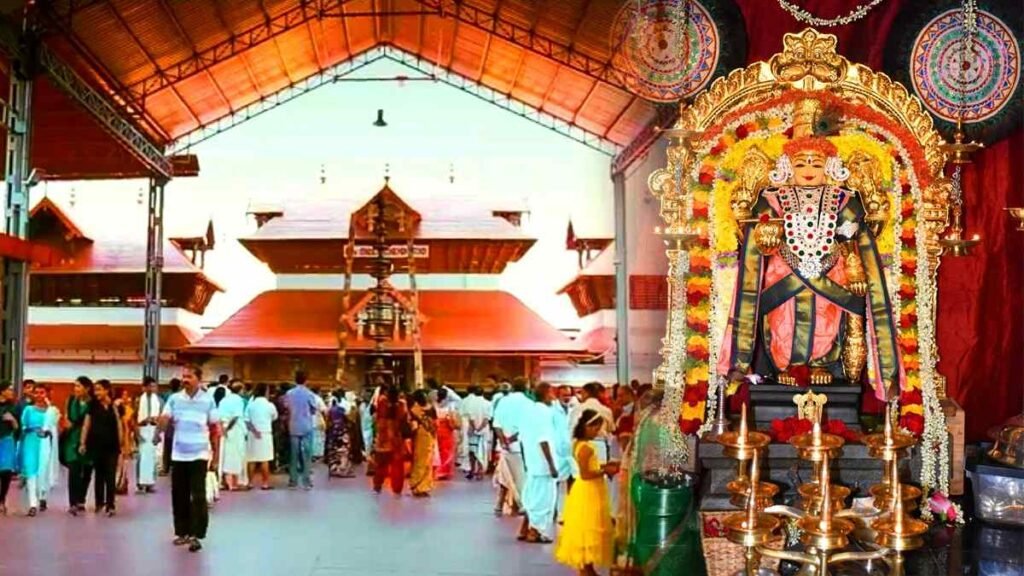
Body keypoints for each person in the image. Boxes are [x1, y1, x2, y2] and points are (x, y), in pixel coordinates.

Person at [157, 364, 220, 553]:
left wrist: (216, 456)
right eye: (184, 376)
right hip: (179, 455)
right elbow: (165, 418)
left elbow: (215, 429)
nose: (185, 380)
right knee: (179, 495)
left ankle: (197, 534)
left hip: (199, 455)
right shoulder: (174, 399)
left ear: (199, 379)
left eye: (189, 376)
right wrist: (159, 429)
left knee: (198, 495)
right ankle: (182, 532)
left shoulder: (208, 401)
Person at [554, 410, 617, 575]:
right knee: (589, 527)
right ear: (587, 427)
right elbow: (586, 474)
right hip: (589, 490)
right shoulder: (586, 448)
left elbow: (590, 467)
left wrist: (604, 466)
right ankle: (585, 568)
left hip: (588, 489)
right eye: (596, 428)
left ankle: (587, 567)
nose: (597, 432)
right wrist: (605, 471)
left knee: (587, 527)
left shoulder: (579, 444)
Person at [518, 382, 560, 544]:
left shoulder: (528, 410)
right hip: (543, 464)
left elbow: (522, 437)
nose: (553, 397)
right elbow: (544, 440)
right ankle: (535, 532)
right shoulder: (544, 412)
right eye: (552, 393)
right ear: (546, 394)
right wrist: (551, 465)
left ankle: (524, 529)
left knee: (532, 497)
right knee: (543, 501)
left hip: (532, 461)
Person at [80, 379, 122, 516]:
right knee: (99, 474)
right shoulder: (92, 405)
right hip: (95, 445)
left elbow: (119, 424)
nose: (96, 393)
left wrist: (122, 443)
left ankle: (111, 504)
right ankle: (99, 503)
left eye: (99, 390)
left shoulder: (115, 406)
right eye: (95, 390)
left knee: (110, 475)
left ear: (107, 390)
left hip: (112, 446)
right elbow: (86, 424)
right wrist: (82, 443)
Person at [491, 377, 531, 516]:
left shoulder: (503, 401)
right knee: (520, 477)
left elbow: (496, 424)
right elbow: (527, 426)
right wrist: (511, 439)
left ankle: (500, 504)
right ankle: (522, 504)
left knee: (505, 474)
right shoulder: (528, 403)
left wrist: (503, 441)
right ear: (526, 387)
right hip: (520, 445)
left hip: (503, 446)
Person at [19, 385, 59, 515]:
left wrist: (47, 432)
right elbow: (23, 425)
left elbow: (55, 429)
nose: (39, 395)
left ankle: (43, 496)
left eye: (42, 393)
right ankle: (32, 504)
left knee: (44, 470)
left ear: (46, 394)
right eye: (36, 393)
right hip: (30, 442)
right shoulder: (28, 409)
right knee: (31, 471)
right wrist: (30, 429)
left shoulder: (52, 411)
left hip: (45, 444)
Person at [282, 371, 320, 490]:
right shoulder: (309, 394)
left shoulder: (289, 393)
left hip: (293, 425)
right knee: (307, 454)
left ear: (295, 379)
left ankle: (293, 481)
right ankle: (306, 481)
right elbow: (314, 409)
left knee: (293, 454)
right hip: (306, 426)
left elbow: (286, 407)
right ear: (306, 380)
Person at [63, 376, 93, 515]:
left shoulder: (92, 403)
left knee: (87, 470)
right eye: (75, 386)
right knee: (73, 470)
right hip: (72, 439)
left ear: (87, 388)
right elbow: (66, 416)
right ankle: (73, 502)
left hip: (89, 439)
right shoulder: (70, 400)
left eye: (79, 386)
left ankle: (82, 498)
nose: (76, 389)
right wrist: (66, 422)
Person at [372, 386, 407, 496]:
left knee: (381, 465)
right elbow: (404, 418)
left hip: (383, 438)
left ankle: (377, 485)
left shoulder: (382, 403)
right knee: (397, 466)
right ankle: (397, 488)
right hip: (396, 438)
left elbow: (377, 417)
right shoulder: (401, 405)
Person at [244, 383, 278, 490]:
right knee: (265, 459)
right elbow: (274, 417)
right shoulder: (269, 405)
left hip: (252, 434)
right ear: (266, 392)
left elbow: (246, 420)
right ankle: (265, 483)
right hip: (265, 433)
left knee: (251, 458)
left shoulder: (250, 405)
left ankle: (250, 482)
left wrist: (254, 431)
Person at [218, 382, 247, 491]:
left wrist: (223, 429)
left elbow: (219, 416)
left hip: (224, 427)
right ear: (240, 390)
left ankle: (225, 481)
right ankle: (234, 483)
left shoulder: (224, 400)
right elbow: (235, 417)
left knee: (225, 454)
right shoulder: (239, 400)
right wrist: (228, 429)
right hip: (235, 430)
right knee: (236, 454)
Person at [136, 376, 163, 493]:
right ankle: (140, 483)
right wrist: (137, 434)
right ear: (144, 387)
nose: (152, 389)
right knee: (142, 457)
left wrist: (158, 433)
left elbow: (161, 418)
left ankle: (150, 483)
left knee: (153, 457)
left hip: (153, 429)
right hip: (142, 429)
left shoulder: (159, 401)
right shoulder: (138, 400)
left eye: (154, 386)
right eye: (150, 386)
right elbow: (133, 418)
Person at [408, 390, 436, 497]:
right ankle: (423, 486)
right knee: (427, 461)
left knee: (419, 461)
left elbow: (413, 426)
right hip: (429, 436)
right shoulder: (431, 408)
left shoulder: (414, 410)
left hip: (420, 436)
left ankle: (417, 485)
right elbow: (435, 423)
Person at [461, 386, 492, 481]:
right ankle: (480, 471)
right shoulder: (488, 403)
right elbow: (487, 418)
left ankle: (472, 470)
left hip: (472, 430)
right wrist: (480, 428)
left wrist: (474, 427)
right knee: (482, 450)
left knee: (472, 451)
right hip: (483, 430)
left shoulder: (471, 403)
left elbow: (471, 418)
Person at [325, 391, 354, 478]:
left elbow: (328, 421)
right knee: (344, 451)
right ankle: (342, 469)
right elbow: (348, 420)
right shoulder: (342, 409)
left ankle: (333, 469)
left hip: (332, 433)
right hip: (341, 432)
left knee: (333, 451)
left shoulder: (330, 410)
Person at [434, 388, 459, 481]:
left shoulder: (434, 405)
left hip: (437, 429)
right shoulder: (450, 406)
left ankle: (437, 471)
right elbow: (453, 418)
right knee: (447, 451)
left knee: (438, 450)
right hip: (447, 429)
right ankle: (444, 471)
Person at [0, 383, 17, 516]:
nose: (11, 391)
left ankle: (2, 499)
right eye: (9, 389)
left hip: (7, 439)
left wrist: (12, 420)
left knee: (6, 471)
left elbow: (17, 427)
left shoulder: (13, 407)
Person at [161, 377, 181, 475]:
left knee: (168, 447)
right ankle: (175, 467)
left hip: (169, 425)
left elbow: (164, 411)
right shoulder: (181, 396)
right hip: (178, 425)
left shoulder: (166, 395)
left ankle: (166, 468)